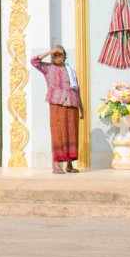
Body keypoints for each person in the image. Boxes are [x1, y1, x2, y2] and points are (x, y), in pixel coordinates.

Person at [30, 46, 82, 174]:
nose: (58, 57)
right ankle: (56, 165)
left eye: (60, 55)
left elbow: (77, 89)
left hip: (72, 103)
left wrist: (81, 108)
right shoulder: (48, 68)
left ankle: (69, 164)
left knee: (72, 132)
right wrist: (49, 52)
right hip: (57, 103)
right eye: (55, 55)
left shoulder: (70, 70)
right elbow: (33, 61)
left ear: (65, 56)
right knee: (58, 132)